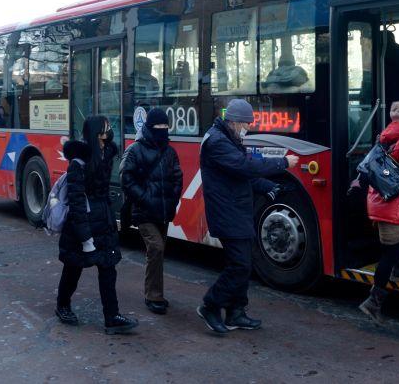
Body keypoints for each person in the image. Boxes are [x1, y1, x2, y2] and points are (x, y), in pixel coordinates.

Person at [196, 99, 299, 334]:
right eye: (246, 124)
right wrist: (283, 162)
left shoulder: (229, 138)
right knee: (240, 265)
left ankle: (236, 312)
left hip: (236, 210)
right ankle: (210, 305)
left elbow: (240, 176)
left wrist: (268, 187)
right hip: (227, 212)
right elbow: (244, 166)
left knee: (244, 263)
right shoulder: (217, 142)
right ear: (234, 121)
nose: (248, 128)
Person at [55, 115, 138, 335]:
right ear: (96, 133)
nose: (110, 130)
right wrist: (85, 238)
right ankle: (63, 305)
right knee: (73, 268)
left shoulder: (106, 153)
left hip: (104, 221)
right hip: (82, 225)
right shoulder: (77, 163)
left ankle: (112, 317)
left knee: (108, 269)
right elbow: (76, 202)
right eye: (106, 127)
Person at [359, 101, 399, 324]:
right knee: (389, 254)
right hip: (393, 207)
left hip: (380, 202)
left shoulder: (383, 140)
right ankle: (373, 302)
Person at [120, 108, 183, 315]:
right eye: (159, 126)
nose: (162, 130)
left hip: (163, 211)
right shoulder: (135, 150)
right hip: (144, 211)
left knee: (157, 252)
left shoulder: (170, 152)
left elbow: (177, 177)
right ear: (149, 127)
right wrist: (145, 199)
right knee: (156, 247)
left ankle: (156, 293)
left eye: (166, 126)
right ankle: (153, 296)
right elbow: (126, 179)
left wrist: (172, 199)